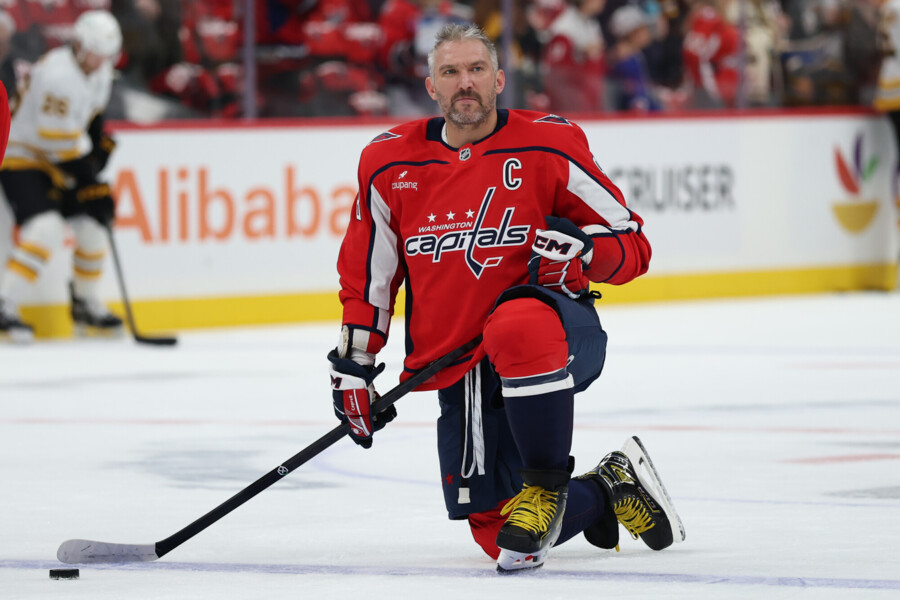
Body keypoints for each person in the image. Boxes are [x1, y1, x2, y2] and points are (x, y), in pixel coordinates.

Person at [327, 23, 685, 573]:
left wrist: (585, 251)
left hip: (551, 335)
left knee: (516, 322)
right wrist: (354, 364)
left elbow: (633, 246)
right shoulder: (388, 162)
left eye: (476, 70)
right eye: (450, 72)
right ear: (431, 86)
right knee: (506, 541)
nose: (464, 83)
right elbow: (369, 277)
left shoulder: (548, 144)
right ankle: (610, 487)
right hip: (458, 358)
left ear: (498, 80)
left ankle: (545, 483)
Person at [0, 10, 123, 343]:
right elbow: (56, 142)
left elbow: (91, 118)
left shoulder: (99, 71)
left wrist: (96, 152)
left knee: (93, 226)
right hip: (21, 156)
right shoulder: (58, 74)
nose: (101, 61)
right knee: (46, 228)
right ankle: (4, 304)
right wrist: (90, 181)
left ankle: (86, 303)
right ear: (80, 46)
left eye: (106, 55)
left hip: (56, 159)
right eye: (96, 53)